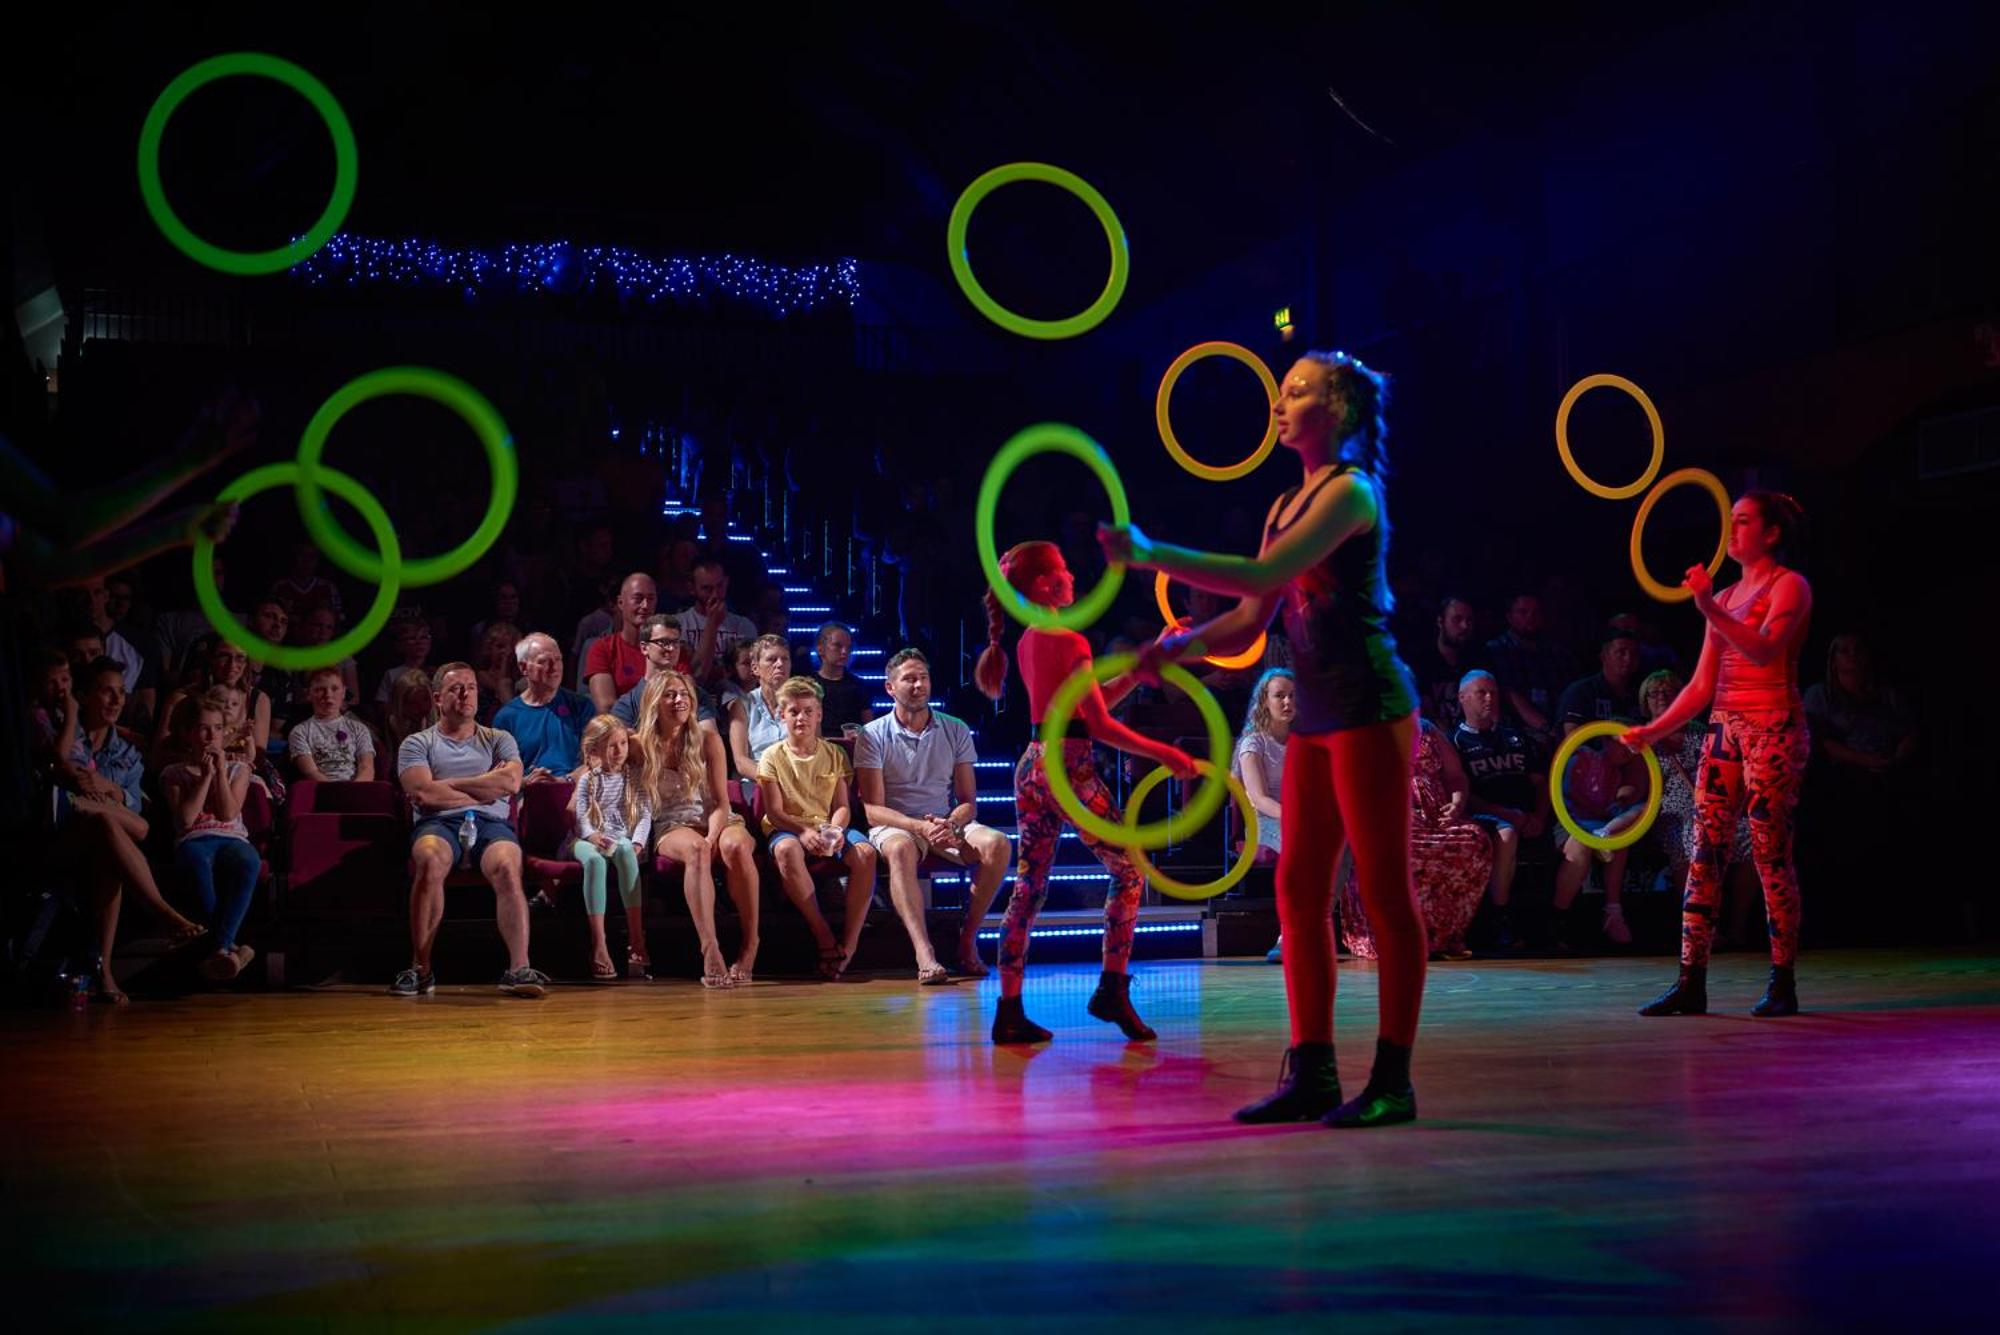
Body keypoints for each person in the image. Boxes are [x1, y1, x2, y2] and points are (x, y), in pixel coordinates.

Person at [1102, 349, 1424, 1127]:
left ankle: (1392, 1080)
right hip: (1317, 713)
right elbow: (1253, 619)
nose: (1281, 402)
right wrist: (1182, 646)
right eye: (1281, 390)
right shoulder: (1284, 502)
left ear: (1337, 410)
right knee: (1298, 888)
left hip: (1371, 708)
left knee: (1384, 891)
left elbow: (1258, 576)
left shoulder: (1351, 492)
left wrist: (1151, 552)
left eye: (1297, 390)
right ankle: (1314, 1070)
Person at [975, 542, 1198, 1045]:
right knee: (1129, 870)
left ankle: (1009, 1010)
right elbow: (1096, 725)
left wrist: (1143, 666)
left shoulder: (1030, 639)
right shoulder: (1069, 638)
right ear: (1044, 584)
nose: (1073, 575)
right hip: (1067, 769)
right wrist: (1164, 753)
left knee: (1029, 886)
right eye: (1064, 569)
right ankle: (1112, 988)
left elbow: (1082, 706)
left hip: (1033, 765)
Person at [1622, 492, 1813, 1017]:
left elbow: (1764, 649)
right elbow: (1703, 685)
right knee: (1705, 851)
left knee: (1770, 852)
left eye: (1743, 521)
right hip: (1725, 728)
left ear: (1771, 533)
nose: (1731, 529)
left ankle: (1783, 980)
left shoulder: (1789, 585)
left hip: (1773, 727)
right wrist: (1653, 729)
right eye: (1731, 520)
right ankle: (1691, 980)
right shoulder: (1726, 596)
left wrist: (1707, 608)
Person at [50, 658, 206, 1002]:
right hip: (61, 839)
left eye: (121, 693)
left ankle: (104, 971)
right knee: (107, 825)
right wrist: (109, 801)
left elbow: (137, 824)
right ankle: (163, 913)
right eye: (107, 691)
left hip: (104, 843)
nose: (117, 700)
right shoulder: (66, 733)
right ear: (85, 696)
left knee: (109, 842)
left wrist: (106, 791)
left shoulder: (128, 754)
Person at [391, 663, 547, 999]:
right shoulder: (417, 743)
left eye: (471, 687)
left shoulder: (499, 739)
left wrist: (449, 784)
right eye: (456, 688)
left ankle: (519, 969)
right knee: (429, 860)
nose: (465, 694)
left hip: (491, 823)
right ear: (438, 698)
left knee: (508, 864)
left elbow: (511, 783)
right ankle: (420, 968)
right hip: (438, 822)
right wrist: (484, 786)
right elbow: (423, 794)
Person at [856, 648, 1011, 983]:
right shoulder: (872, 734)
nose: (918, 685)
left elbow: (969, 801)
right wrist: (917, 826)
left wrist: (952, 823)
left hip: (943, 821)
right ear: (890, 688)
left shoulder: (955, 729)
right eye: (909, 679)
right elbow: (872, 809)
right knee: (900, 847)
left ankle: (967, 940)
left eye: (923, 678)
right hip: (896, 823)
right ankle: (924, 952)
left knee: (998, 844)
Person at [635, 670, 761, 985]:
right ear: (654, 702)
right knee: (696, 849)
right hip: (671, 823)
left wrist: (713, 836)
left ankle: (751, 943)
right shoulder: (637, 745)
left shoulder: (708, 740)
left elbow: (720, 802)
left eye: (684, 695)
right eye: (670, 695)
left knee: (737, 846)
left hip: (715, 816)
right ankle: (711, 949)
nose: (679, 700)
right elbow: (598, 760)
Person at [1336, 716, 1491, 961]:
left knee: (1475, 841)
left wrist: (1457, 802)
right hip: (1385, 817)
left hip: (1436, 816)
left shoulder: (1427, 728)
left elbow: (1455, 775)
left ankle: (1444, 936)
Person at [758, 675, 880, 979]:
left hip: (827, 825)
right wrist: (803, 832)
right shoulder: (772, 756)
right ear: (782, 715)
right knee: (786, 850)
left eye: (808, 711)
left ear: (819, 714)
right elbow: (774, 812)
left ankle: (849, 943)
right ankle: (822, 932)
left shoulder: (835, 754)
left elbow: (842, 806)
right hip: (788, 826)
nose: (801, 718)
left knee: (866, 854)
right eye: (794, 711)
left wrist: (835, 831)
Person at [1642, 668, 1759, 951]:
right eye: (1654, 693)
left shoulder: (1701, 732)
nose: (1662, 697)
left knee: (1753, 838)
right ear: (1645, 701)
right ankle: (1700, 930)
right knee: (1688, 839)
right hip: (1670, 813)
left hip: (1713, 806)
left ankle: (1738, 928)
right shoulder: (1642, 738)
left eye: (1669, 692)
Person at [158, 692, 262, 983]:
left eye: (217, 728)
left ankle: (219, 948)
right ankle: (229, 949)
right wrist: (204, 777)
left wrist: (220, 772)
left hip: (231, 838)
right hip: (194, 839)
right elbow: (185, 820)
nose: (211, 735)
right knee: (195, 861)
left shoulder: (239, 769)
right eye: (203, 728)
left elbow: (227, 813)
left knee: (249, 860)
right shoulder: (173, 773)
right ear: (187, 733)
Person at [1452, 670, 1548, 948]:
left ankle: (1556, 924)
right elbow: (1466, 795)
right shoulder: (1455, 741)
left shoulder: (1515, 737)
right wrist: (1509, 816)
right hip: (1485, 817)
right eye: (1481, 692)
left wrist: (1539, 817)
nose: (1489, 698)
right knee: (1506, 833)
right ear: (1462, 698)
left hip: (1528, 816)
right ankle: (1499, 917)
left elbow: (1540, 783)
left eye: (1493, 693)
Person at [569, 715, 653, 982]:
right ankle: (599, 944)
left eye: (623, 744)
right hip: (587, 840)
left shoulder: (635, 778)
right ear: (595, 749)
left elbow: (644, 814)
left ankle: (637, 939)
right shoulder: (588, 780)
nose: (619, 751)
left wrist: (638, 841)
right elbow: (581, 819)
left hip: (619, 838)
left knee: (626, 849)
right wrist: (593, 836)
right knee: (594, 862)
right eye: (611, 746)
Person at [1549, 722, 1647, 947]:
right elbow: (1565, 793)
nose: (1627, 750)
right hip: (1571, 821)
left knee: (1624, 834)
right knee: (1580, 848)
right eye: (1622, 744)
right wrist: (1594, 813)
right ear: (1606, 740)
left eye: (1631, 747)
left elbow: (1624, 802)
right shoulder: (1583, 755)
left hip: (1599, 824)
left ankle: (1613, 913)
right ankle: (1558, 919)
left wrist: (1619, 804)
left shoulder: (1619, 774)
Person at [1234, 669, 1294, 962]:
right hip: (1264, 820)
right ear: (1265, 701)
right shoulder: (1253, 743)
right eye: (1280, 695)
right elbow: (1258, 799)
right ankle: (1288, 936)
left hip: (1296, 817)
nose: (1287, 702)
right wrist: (1296, 818)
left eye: (1292, 696)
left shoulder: (1303, 741)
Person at [610, 614, 727, 740]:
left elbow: (709, 739)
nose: (671, 648)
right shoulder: (627, 704)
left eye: (675, 642)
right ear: (644, 648)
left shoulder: (696, 695)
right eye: (663, 642)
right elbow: (623, 746)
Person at [493, 632, 591, 782]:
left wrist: (564, 780)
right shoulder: (507, 717)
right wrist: (527, 782)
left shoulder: (582, 706)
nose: (554, 667)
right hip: (528, 791)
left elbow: (597, 760)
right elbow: (500, 775)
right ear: (523, 667)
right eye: (544, 661)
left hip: (574, 788)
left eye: (558, 659)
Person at [155, 636, 270, 761]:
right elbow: (158, 757)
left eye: (240, 657)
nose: (232, 665)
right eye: (224, 656)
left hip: (241, 772)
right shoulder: (181, 698)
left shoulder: (258, 700)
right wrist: (205, 760)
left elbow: (258, 758)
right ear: (211, 659)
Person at [1484, 592, 1575, 742]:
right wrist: (1547, 729)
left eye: (1535, 612)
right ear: (1509, 617)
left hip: (1556, 730)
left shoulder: (1556, 653)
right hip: (1515, 734)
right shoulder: (1497, 649)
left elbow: (1568, 695)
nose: (1530, 617)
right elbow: (1511, 696)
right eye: (1523, 612)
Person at [1406, 595, 1486, 730]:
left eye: (1469, 620)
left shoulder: (1478, 660)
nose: (1465, 626)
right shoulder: (1421, 662)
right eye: (1457, 619)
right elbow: (1424, 712)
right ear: (1440, 621)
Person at [678, 558, 758, 692]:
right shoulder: (679, 624)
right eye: (707, 589)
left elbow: (749, 675)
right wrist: (712, 623)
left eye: (720, 586)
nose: (715, 594)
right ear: (691, 588)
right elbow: (696, 675)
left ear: (726, 583)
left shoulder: (744, 626)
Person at [584, 572, 658, 713]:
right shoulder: (602, 649)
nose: (645, 605)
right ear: (620, 603)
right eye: (638, 599)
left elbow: (686, 699)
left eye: (651, 599)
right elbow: (607, 708)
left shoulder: (671, 648)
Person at [287, 666, 376, 782]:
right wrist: (335, 790)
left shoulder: (359, 728)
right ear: (308, 693)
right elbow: (311, 772)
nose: (328, 695)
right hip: (322, 788)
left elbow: (366, 767)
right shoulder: (300, 731)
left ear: (343, 692)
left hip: (355, 787)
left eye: (334, 689)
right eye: (320, 690)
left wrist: (354, 789)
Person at [728, 634, 793, 777]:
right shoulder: (741, 705)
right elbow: (741, 761)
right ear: (755, 668)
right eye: (772, 659)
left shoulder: (803, 704)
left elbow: (813, 751)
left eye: (785, 659)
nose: (780, 664)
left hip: (796, 778)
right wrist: (774, 780)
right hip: (757, 780)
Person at [1558, 628, 1643, 734]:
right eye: (1621, 652)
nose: (1628, 658)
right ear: (1604, 657)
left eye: (1634, 653)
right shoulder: (1581, 692)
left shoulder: (1642, 694)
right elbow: (1573, 738)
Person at [811, 621, 873, 736]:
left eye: (848, 647)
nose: (844, 652)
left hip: (852, 745)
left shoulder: (858, 685)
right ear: (820, 649)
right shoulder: (809, 685)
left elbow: (869, 727)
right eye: (837, 646)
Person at [372, 618, 433, 710]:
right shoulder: (392, 674)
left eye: (424, 637)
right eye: (412, 638)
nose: (419, 642)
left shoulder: (438, 672)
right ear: (400, 644)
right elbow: (383, 707)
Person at [473, 620, 523, 723]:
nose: (506, 651)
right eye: (500, 646)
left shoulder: (521, 679)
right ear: (489, 648)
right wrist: (505, 661)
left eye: (512, 647)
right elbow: (502, 690)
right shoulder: (482, 676)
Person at [381, 668, 434, 757]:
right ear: (401, 705)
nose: (422, 707)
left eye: (425, 699)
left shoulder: (443, 720)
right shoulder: (393, 724)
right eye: (413, 703)